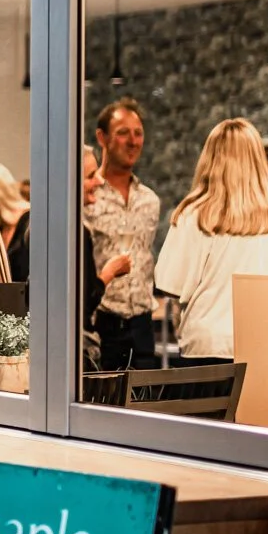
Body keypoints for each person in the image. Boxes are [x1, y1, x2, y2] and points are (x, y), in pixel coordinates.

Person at [155, 119, 268, 364]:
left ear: (210, 158)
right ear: (257, 159)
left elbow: (169, 282)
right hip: (264, 344)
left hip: (207, 345)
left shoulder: (193, 215)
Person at [87, 98, 161, 370]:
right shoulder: (88, 196)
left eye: (138, 133)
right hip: (102, 323)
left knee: (144, 406)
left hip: (142, 325)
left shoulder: (149, 201)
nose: (133, 141)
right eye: (122, 133)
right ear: (102, 138)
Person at [82, 148, 133, 366]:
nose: (99, 181)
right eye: (91, 175)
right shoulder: (75, 233)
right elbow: (83, 302)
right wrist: (109, 273)